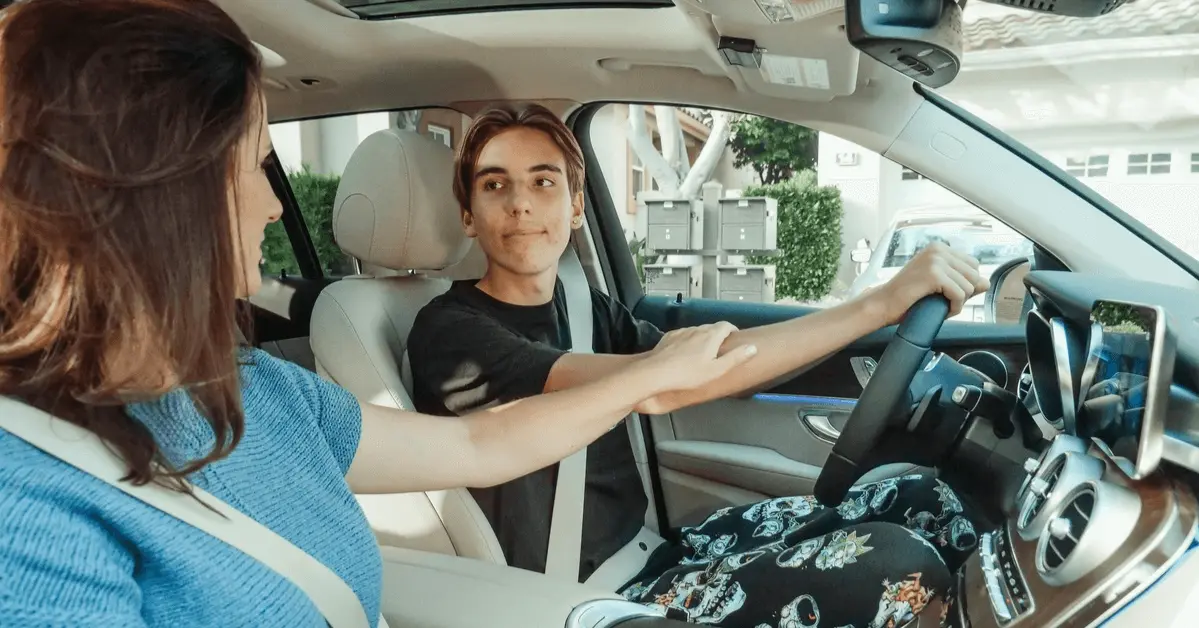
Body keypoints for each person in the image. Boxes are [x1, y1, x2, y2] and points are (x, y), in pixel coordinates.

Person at [0, 1, 758, 626]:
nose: (272, 204)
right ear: (162, 197)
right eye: (252, 166)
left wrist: (647, 375)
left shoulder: (251, 384)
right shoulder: (25, 506)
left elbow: (474, 444)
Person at [407, 104, 992, 627]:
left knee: (922, 497)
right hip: (592, 598)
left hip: (656, 551)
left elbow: (719, 367)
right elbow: (659, 387)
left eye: (544, 181)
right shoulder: (450, 331)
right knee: (898, 567)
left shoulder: (584, 305)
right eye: (494, 185)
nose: (522, 203)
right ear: (467, 214)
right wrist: (880, 304)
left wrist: (875, 315)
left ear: (578, 205)